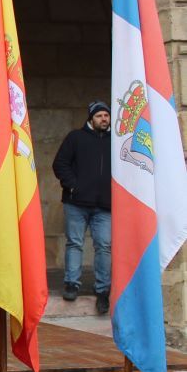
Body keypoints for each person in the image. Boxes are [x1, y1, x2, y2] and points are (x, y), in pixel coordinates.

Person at [52, 100, 111, 314]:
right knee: (75, 243)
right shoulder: (75, 138)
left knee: (104, 246)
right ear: (90, 118)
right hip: (76, 204)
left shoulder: (116, 141)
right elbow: (60, 164)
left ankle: (103, 290)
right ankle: (71, 284)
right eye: (99, 116)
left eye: (106, 116)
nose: (103, 119)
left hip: (105, 206)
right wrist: (74, 186)